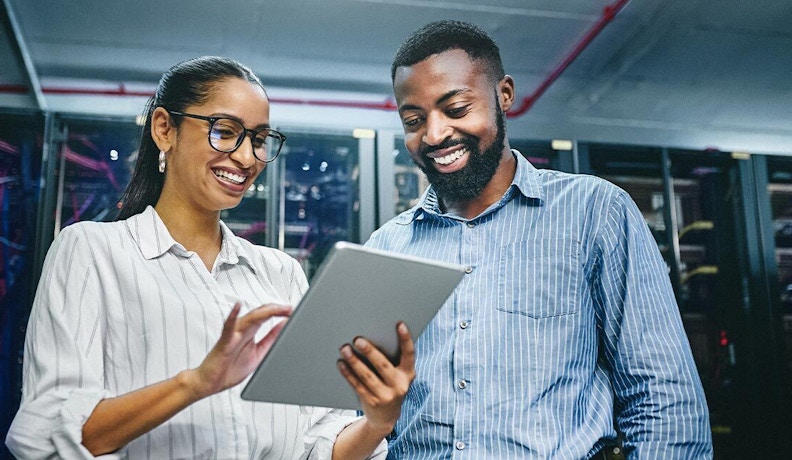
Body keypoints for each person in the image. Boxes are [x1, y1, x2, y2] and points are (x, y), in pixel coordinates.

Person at [6, 56, 415, 459]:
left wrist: (377, 421)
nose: (246, 157)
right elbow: (48, 436)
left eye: (257, 139)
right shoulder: (92, 252)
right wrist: (195, 383)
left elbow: (319, 443)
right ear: (165, 129)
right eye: (225, 131)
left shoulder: (281, 274)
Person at [365, 20, 713, 458]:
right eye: (414, 120)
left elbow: (663, 400)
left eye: (455, 109)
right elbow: (359, 414)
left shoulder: (594, 212)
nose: (434, 135)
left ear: (504, 95)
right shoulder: (386, 247)